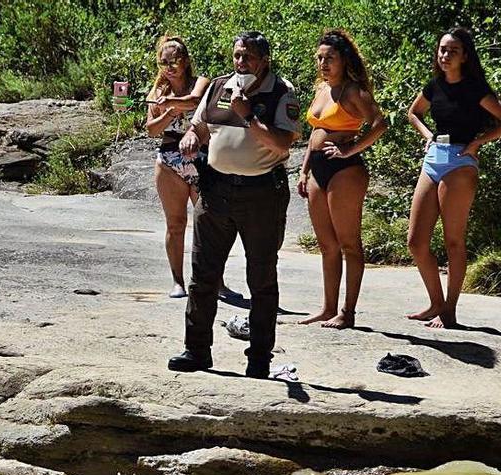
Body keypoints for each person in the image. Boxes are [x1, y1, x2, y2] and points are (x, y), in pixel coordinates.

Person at [167, 31, 300, 378]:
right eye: (238, 56)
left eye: (249, 57)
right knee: (203, 276)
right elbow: (197, 127)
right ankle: (196, 350)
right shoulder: (219, 87)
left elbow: (283, 144)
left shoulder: (280, 92)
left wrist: (249, 117)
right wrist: (192, 137)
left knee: (261, 278)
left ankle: (258, 360)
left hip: (262, 196)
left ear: (264, 60)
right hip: (216, 192)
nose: (241, 63)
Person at [406, 27, 501, 329]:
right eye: (442, 49)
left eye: (453, 51)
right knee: (416, 242)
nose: (445, 55)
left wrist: (476, 143)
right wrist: (427, 136)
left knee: (453, 241)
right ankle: (436, 301)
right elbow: (413, 113)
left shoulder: (475, 89)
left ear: (465, 56)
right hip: (434, 158)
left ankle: (450, 310)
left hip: (461, 162)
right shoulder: (434, 86)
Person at [297, 30, 387, 329]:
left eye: (330, 58)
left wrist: (351, 149)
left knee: (349, 244)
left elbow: (379, 123)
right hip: (318, 169)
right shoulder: (322, 89)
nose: (323, 63)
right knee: (327, 245)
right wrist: (304, 168)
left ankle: (347, 313)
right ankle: (328, 308)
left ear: (343, 59)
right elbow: (315, 132)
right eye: (320, 58)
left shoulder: (353, 91)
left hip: (345, 171)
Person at [145, 36, 237, 299]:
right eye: (164, 62)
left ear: (185, 61)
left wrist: (172, 105)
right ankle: (178, 281)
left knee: (209, 223)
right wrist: (168, 113)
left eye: (174, 61)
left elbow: (196, 101)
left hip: (200, 158)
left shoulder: (201, 82)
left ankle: (216, 281)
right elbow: (152, 130)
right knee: (175, 223)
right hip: (169, 158)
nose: (169, 67)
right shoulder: (157, 92)